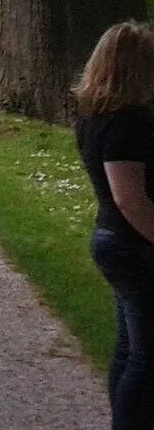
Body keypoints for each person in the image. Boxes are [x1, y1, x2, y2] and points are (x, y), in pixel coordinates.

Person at [75, 21, 154, 429]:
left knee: (129, 348)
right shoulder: (125, 124)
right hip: (132, 245)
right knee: (147, 359)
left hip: (114, 241)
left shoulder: (96, 116)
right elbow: (129, 198)